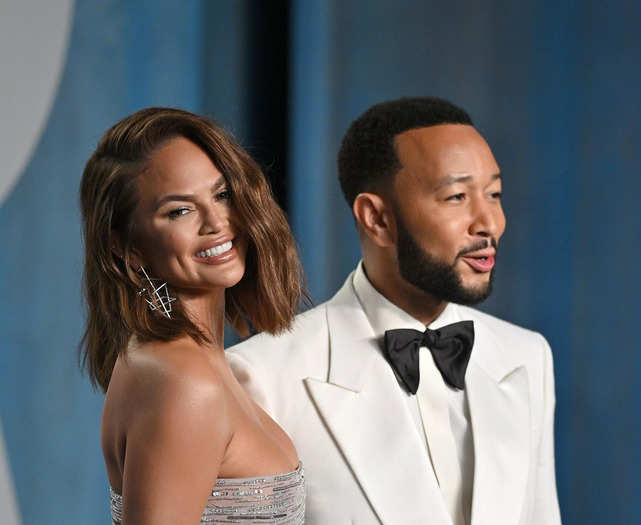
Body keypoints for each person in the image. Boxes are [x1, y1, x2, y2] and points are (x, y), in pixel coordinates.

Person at [227, 97, 562, 524]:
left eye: (494, 193)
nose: (489, 223)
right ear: (376, 218)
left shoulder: (527, 356)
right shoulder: (261, 378)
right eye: (457, 196)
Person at [79, 107, 307, 524]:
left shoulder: (174, 361)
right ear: (127, 247)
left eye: (221, 195)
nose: (217, 222)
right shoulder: (183, 380)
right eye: (179, 211)